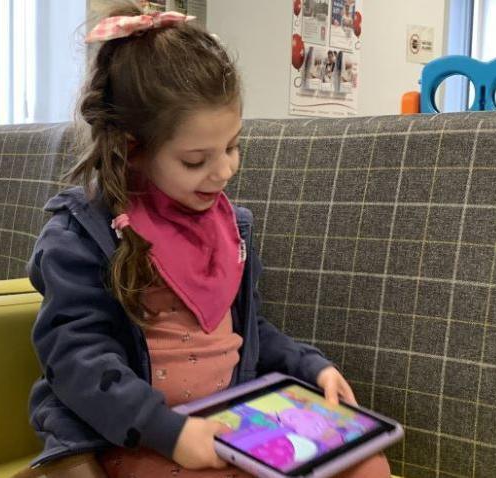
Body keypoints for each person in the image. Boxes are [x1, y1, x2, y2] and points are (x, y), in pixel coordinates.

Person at [20, 2, 391, 477]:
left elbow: (247, 331)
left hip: (229, 418)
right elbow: (78, 363)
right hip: (130, 432)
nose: (224, 170)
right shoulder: (82, 235)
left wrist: (312, 368)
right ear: (132, 148)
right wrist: (169, 433)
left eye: (233, 146)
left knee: (369, 465)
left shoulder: (232, 226)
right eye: (196, 160)